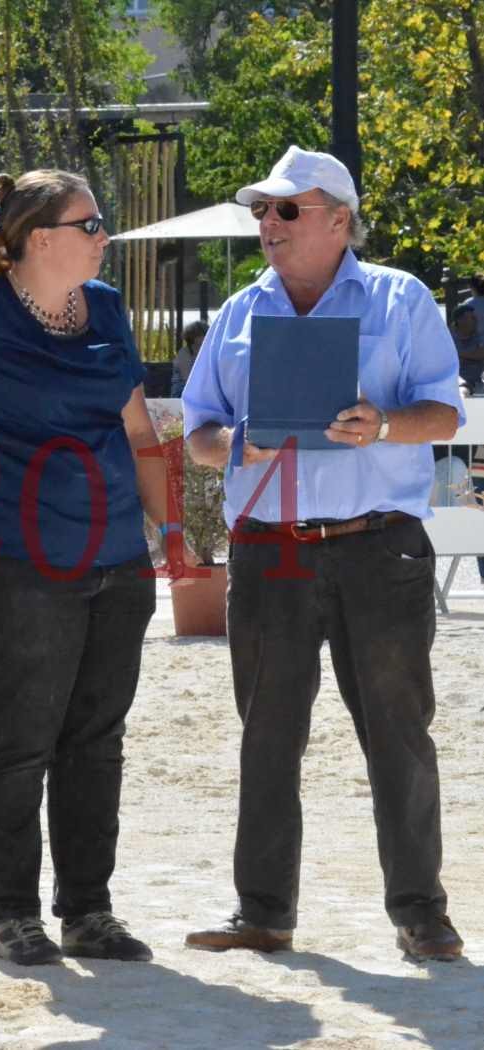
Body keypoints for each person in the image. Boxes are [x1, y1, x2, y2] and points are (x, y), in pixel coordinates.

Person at [182, 146, 465, 962]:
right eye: (260, 211)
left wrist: (381, 424)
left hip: (379, 547)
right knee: (265, 734)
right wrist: (235, 443)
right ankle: (262, 913)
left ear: (338, 220)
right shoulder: (236, 313)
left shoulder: (400, 298)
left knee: (398, 732)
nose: (266, 224)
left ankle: (420, 913)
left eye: (285, 210)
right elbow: (196, 433)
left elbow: (442, 414)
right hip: (268, 553)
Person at [0, 170, 186, 967]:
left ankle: (88, 910)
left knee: (96, 741)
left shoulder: (109, 309)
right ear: (38, 239)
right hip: (12, 557)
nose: (104, 236)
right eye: (92, 224)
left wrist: (172, 528)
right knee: (19, 739)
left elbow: (139, 430)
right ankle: (10, 914)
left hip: (117, 559)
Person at [449, 274, 483, 394]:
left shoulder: (468, 304)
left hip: (470, 380)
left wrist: (459, 354)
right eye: (471, 318)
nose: (475, 320)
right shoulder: (450, 338)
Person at [170, 319, 208, 399]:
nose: (206, 337)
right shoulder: (184, 353)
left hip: (201, 392)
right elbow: (188, 379)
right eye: (203, 334)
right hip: (181, 394)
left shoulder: (207, 352)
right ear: (194, 337)